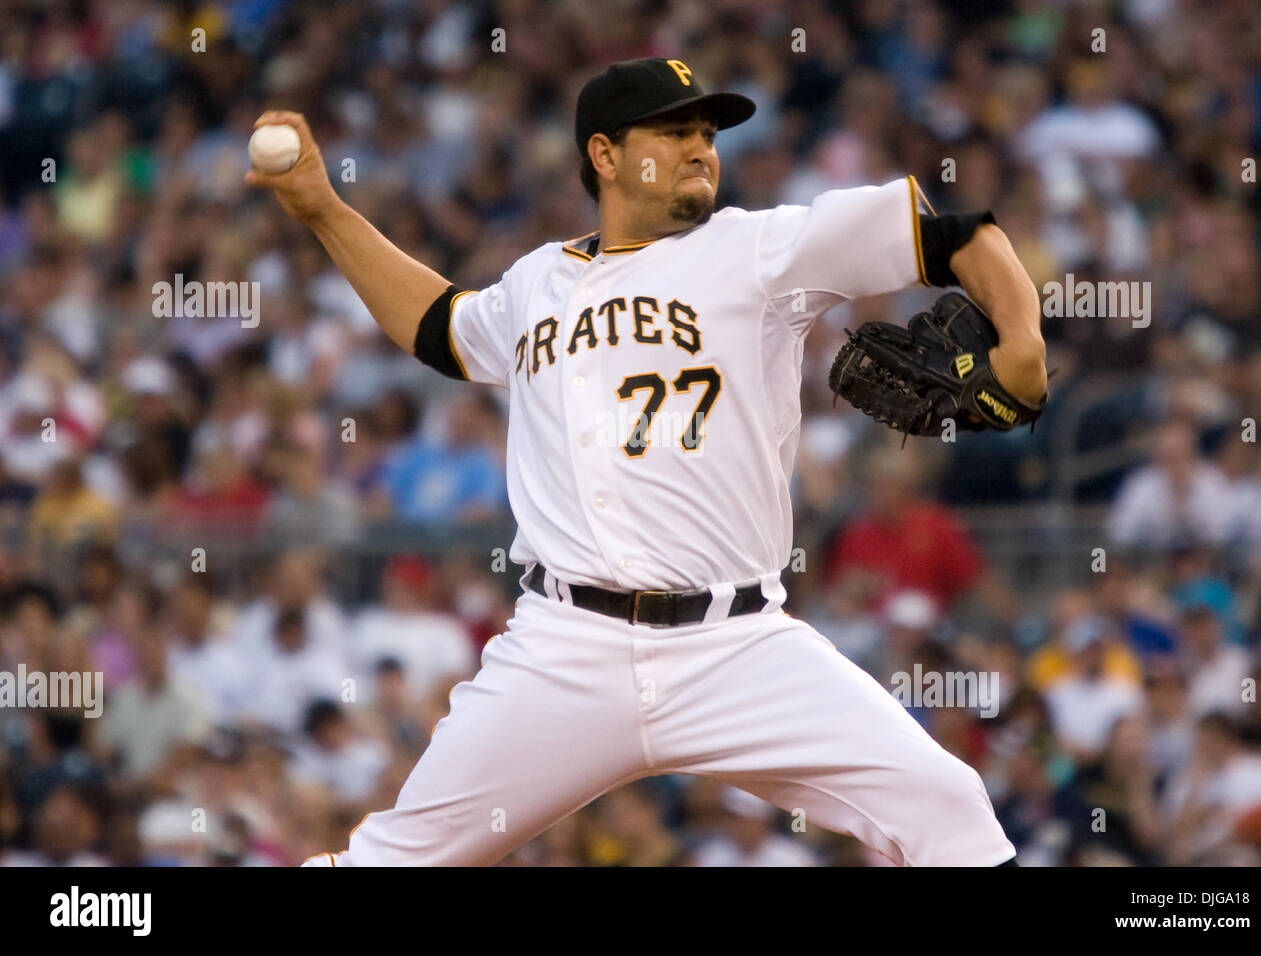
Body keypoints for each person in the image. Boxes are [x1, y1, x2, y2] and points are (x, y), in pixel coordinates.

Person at [248, 57, 1047, 867]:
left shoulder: (761, 249)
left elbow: (952, 234)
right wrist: (323, 211)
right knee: (387, 861)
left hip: (738, 648)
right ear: (605, 154)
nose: (703, 149)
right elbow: (439, 328)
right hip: (564, 649)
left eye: (708, 133)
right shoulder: (535, 283)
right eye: (676, 132)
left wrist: (1022, 339)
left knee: (951, 811)